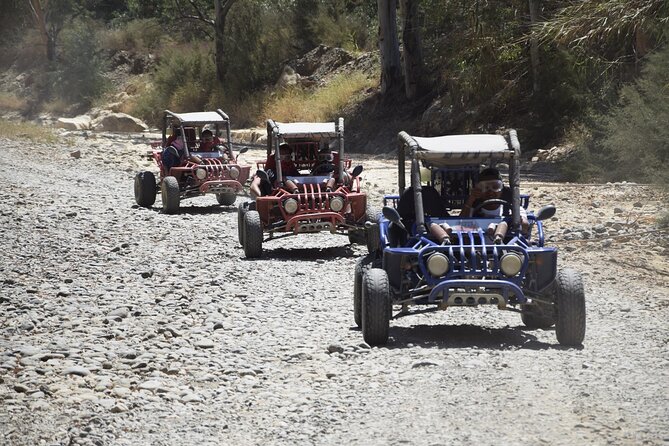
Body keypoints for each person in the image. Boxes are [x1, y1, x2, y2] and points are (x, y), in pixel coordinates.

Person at [459, 167, 529, 241]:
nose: (490, 192)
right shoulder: (472, 207)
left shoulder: (513, 208)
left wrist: (518, 220)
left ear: (502, 189)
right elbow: (460, 225)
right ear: (479, 189)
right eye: (485, 187)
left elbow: (524, 226)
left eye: (495, 187)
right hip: (478, 246)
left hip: (506, 246)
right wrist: (471, 199)